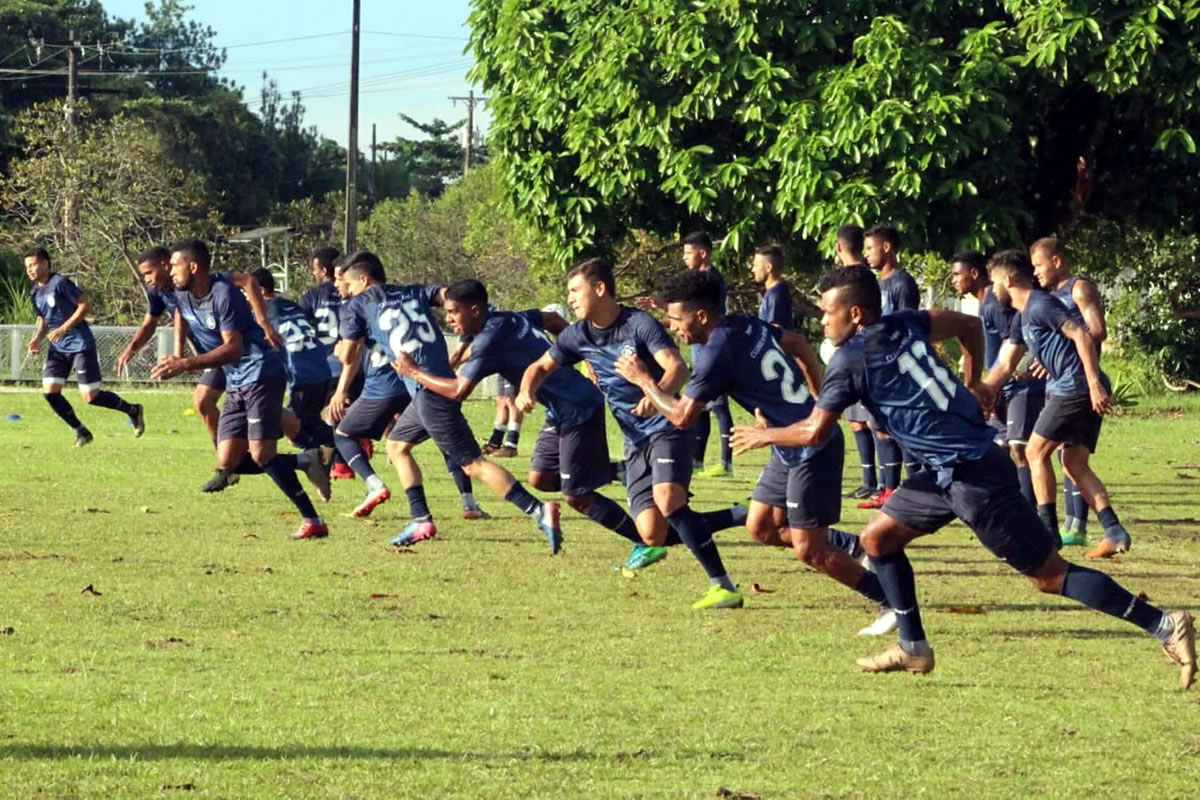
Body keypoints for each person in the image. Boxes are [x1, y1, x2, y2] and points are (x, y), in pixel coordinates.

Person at [730, 264, 1195, 687]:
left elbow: (814, 432)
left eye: (828, 312)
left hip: (974, 479)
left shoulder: (849, 361)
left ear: (854, 314)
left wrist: (765, 435)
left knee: (1050, 576)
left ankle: (1162, 624)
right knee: (877, 540)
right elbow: (969, 326)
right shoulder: (906, 322)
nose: (823, 321)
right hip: (943, 474)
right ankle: (914, 647)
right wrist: (978, 382)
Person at [616, 269, 897, 630]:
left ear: (701, 316)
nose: (672, 327)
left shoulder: (715, 352)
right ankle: (855, 548)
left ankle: (891, 602)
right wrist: (818, 398)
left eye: (676, 318)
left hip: (810, 448)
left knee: (809, 550)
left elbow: (682, 417)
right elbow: (797, 343)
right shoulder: (744, 323)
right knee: (761, 526)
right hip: (787, 443)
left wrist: (644, 381)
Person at [521, 257, 746, 609]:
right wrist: (526, 391)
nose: (571, 299)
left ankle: (723, 585)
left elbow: (677, 368)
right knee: (652, 533)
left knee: (670, 501)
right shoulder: (577, 334)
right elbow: (539, 367)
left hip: (668, 426)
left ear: (600, 288)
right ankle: (740, 515)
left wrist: (655, 395)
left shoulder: (638, 324)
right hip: (634, 438)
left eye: (576, 291)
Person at [394, 278, 646, 553]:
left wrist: (414, 372)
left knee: (576, 496)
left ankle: (643, 541)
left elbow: (458, 391)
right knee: (541, 478)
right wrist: (586, 355)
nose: (449, 318)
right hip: (560, 409)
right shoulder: (510, 319)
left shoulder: (489, 340)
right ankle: (619, 470)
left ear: (475, 310)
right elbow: (550, 319)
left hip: (578, 407)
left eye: (454, 311)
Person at [337, 258, 562, 551]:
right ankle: (421, 520)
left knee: (474, 465)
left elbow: (346, 355)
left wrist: (351, 341)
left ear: (364, 281)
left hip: (431, 391)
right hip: (426, 389)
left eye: (350, 284)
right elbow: (447, 294)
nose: (348, 290)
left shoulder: (357, 306)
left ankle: (538, 510)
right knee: (396, 445)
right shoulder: (413, 292)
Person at [150, 239, 330, 540]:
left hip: (261, 371)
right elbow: (179, 313)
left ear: (193, 267)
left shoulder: (223, 294)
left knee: (261, 454)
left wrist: (185, 364)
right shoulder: (180, 292)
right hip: (236, 379)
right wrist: (178, 352)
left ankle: (313, 519)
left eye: (176, 264)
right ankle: (305, 460)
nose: (170, 270)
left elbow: (233, 348)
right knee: (227, 462)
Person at [982, 249, 1131, 559]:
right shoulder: (1025, 315)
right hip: (1076, 388)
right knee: (1073, 464)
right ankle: (1114, 530)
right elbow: (1007, 364)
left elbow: (1084, 335)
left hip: (1075, 388)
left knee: (1035, 451)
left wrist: (1092, 384)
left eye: (994, 281)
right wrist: (983, 392)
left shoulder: (1038, 305)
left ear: (1008, 279)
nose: (992, 290)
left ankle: (1047, 533)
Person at [949, 250, 1043, 508]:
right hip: (998, 385)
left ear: (974, 274)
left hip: (1015, 385)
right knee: (998, 446)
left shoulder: (994, 303)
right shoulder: (987, 302)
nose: (954, 279)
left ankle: (1029, 509)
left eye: (958, 274)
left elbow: (1010, 347)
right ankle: (1000, 502)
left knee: (1020, 448)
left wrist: (993, 383)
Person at [25, 247, 144, 447]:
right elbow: (43, 317)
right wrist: (37, 338)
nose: (29, 269)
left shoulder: (60, 283)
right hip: (58, 348)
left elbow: (84, 305)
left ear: (45, 264)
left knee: (91, 396)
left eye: (33, 265)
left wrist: (64, 328)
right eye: (27, 266)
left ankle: (133, 410)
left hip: (80, 344)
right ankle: (81, 431)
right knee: (50, 392)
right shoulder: (35, 291)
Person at [640, 231, 735, 477]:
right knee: (701, 406)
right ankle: (696, 459)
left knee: (719, 406)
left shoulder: (710, 281)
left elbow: (701, 314)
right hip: (699, 348)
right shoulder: (696, 282)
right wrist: (659, 311)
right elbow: (685, 316)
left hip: (711, 349)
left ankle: (726, 462)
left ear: (702, 253)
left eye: (688, 253)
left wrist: (651, 322)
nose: (684, 258)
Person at [1031, 236, 1107, 546]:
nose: (1036, 272)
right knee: (1070, 459)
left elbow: (1097, 330)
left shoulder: (1078, 288)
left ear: (1056, 261)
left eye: (1039, 265)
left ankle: (1056, 528)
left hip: (1078, 384)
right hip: (1061, 382)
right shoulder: (1049, 297)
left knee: (1046, 453)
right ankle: (1094, 529)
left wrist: (1070, 346)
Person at [860, 224, 921, 509]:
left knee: (900, 428)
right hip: (878, 366)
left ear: (886, 247)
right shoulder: (876, 284)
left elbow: (908, 327)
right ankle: (889, 489)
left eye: (870, 248)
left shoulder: (902, 282)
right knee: (880, 427)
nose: (866, 254)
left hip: (898, 366)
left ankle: (916, 488)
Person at [251, 268, 334, 453]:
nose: (247, 298)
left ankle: (343, 441)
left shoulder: (263, 313)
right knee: (309, 426)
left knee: (295, 433)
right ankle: (332, 453)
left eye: (248, 292)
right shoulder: (292, 305)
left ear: (261, 291)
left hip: (303, 376)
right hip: (322, 369)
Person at [834, 224, 879, 501]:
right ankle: (868, 480)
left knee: (875, 424)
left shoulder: (860, 277)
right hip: (853, 353)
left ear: (839, 246)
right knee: (857, 423)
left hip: (864, 355)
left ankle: (884, 483)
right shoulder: (853, 276)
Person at [299, 246, 351, 477]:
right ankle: (341, 460)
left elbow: (299, 328)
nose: (313, 274)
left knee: (307, 415)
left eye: (314, 269)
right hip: (352, 362)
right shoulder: (352, 293)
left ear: (321, 269)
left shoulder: (312, 297)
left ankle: (325, 458)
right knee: (338, 410)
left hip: (322, 364)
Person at [751, 245, 793, 330]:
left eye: (756, 265)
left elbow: (776, 330)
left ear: (768, 267)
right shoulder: (778, 291)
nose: (753, 270)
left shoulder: (775, 295)